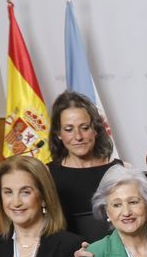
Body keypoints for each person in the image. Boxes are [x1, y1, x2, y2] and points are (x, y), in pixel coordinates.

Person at [47, 91, 122, 241]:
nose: (78, 136)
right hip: (68, 253)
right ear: (58, 133)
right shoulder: (46, 174)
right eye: (69, 129)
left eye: (85, 127)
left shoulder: (120, 170)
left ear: (95, 129)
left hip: (116, 251)